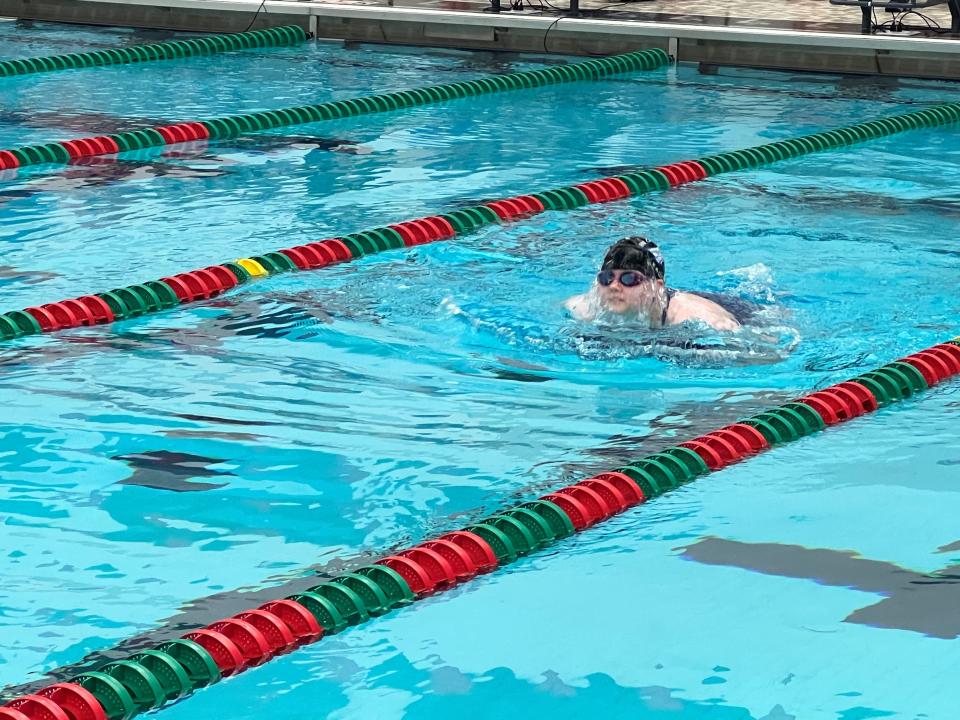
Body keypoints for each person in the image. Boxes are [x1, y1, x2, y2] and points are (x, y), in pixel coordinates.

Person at [565, 237, 743, 332]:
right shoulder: (581, 308)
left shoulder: (697, 317)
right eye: (607, 278)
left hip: (738, 308)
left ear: (657, 286)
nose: (614, 286)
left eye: (629, 279)